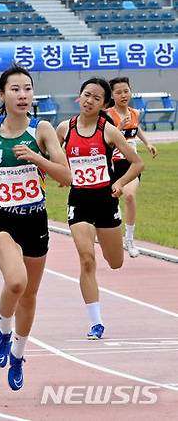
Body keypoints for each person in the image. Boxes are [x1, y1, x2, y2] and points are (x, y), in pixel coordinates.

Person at [0, 65, 71, 391]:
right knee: (17, 281)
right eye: (15, 89)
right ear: (2, 94)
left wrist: (37, 159)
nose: (23, 95)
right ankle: (3, 330)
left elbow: (65, 177)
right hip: (1, 219)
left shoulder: (42, 129)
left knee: (30, 296)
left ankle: (18, 355)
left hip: (35, 221)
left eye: (27, 89)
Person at [56, 78, 143, 340]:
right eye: (86, 95)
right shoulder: (65, 129)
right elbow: (52, 157)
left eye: (96, 98)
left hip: (105, 202)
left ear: (104, 103)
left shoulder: (109, 130)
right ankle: (96, 323)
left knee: (114, 262)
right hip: (79, 201)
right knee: (86, 258)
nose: (89, 101)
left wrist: (119, 182)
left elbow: (137, 164)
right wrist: (61, 173)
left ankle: (113, 247)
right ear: (78, 97)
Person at [106, 77, 158, 258]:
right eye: (118, 92)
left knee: (128, 195)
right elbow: (106, 140)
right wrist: (118, 127)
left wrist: (148, 143)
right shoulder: (107, 116)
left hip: (131, 164)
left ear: (130, 91)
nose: (123, 95)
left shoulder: (135, 112)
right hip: (112, 164)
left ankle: (129, 239)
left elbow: (137, 129)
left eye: (126, 91)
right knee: (113, 200)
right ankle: (115, 232)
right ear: (112, 95)